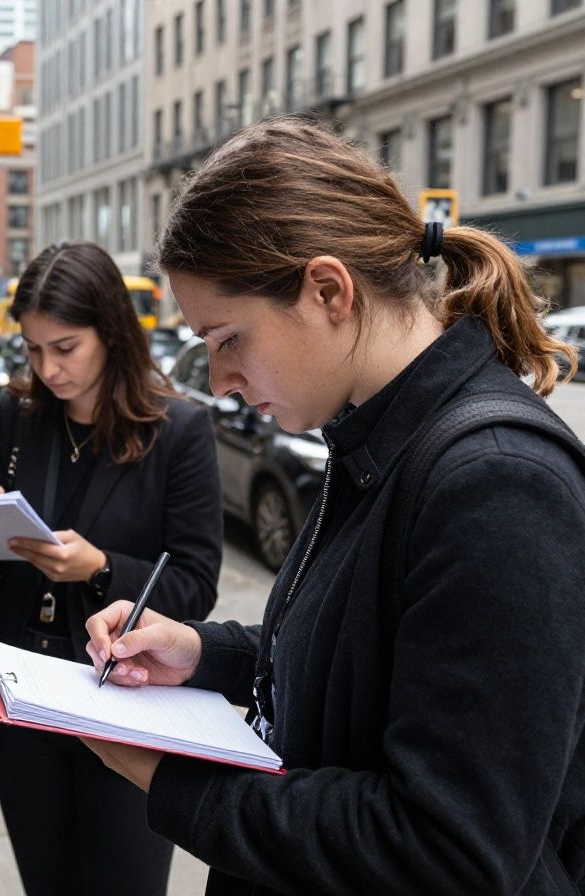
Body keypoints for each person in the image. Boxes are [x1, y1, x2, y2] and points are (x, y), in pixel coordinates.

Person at [82, 118, 585, 894]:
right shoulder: (379, 436)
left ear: (327, 290)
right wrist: (203, 653)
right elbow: (365, 661)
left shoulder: (495, 482)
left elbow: (449, 848)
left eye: (227, 340)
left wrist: (176, 784)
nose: (218, 381)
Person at [0, 240, 224, 896]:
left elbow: (194, 583)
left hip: (124, 692)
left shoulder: (177, 429)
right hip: (22, 689)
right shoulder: (18, 416)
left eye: (64, 347)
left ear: (110, 331)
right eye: (33, 348)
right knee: (45, 882)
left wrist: (100, 568)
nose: (47, 367)